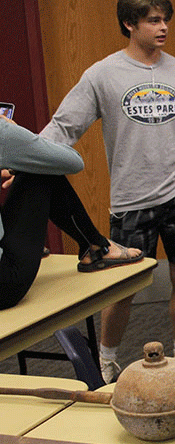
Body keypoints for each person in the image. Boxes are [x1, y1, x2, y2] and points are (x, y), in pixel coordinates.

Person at [40, 0, 175, 384]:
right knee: (122, 288)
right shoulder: (103, 75)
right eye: (153, 20)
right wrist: (25, 158)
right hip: (132, 199)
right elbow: (64, 126)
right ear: (129, 24)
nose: (163, 27)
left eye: (165, 19)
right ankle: (105, 360)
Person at [1, 116, 143, 310]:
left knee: (34, 166)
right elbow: (72, 162)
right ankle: (94, 246)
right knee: (41, 169)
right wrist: (20, 138)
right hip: (5, 286)